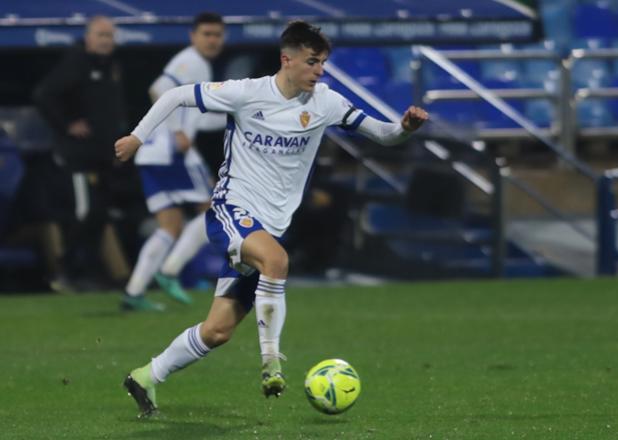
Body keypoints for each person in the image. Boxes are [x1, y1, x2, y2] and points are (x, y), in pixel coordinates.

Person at [115, 20, 428, 416]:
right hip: (231, 210)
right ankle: (271, 363)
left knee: (217, 331)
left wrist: (404, 128)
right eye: (313, 62)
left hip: (268, 226)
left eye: (323, 63)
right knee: (277, 261)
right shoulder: (247, 93)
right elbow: (176, 95)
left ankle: (145, 376)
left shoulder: (327, 102)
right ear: (287, 59)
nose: (320, 70)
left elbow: (382, 134)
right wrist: (137, 137)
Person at [120, 12, 226, 311]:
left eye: (217, 35)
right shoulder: (191, 60)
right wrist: (178, 130)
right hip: (170, 152)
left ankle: (134, 292)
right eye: (206, 34)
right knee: (214, 208)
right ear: (193, 36)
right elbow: (158, 88)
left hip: (151, 155)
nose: (212, 40)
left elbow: (198, 118)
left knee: (169, 225)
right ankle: (171, 270)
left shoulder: (199, 64)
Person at [33, 15, 131, 289]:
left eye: (110, 36)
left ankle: (87, 272)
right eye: (100, 35)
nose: (105, 41)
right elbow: (43, 94)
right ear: (88, 38)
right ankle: (62, 271)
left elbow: (113, 110)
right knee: (84, 213)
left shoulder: (112, 66)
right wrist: (67, 124)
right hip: (79, 157)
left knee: (99, 214)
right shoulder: (76, 63)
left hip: (103, 157)